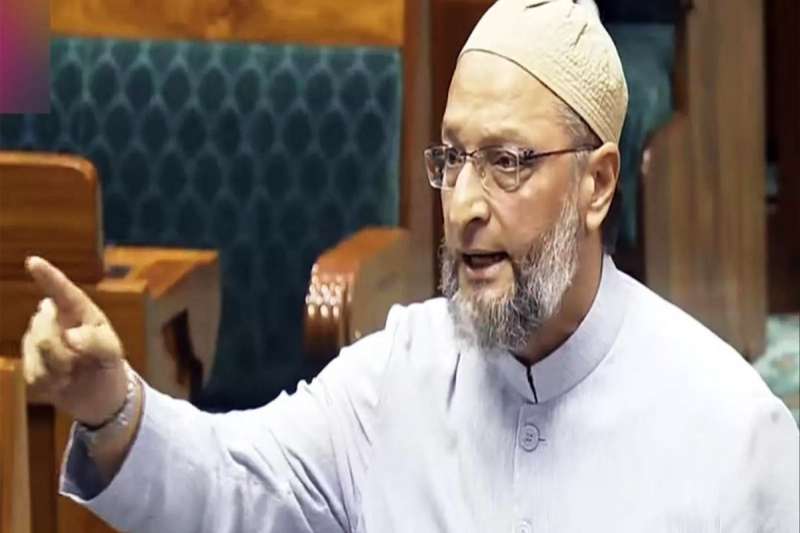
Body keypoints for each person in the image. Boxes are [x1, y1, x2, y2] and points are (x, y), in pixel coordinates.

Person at [22, 0, 798, 531]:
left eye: (506, 162)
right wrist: (111, 403)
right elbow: (234, 483)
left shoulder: (730, 427)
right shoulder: (399, 372)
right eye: (453, 158)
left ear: (596, 184)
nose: (463, 204)